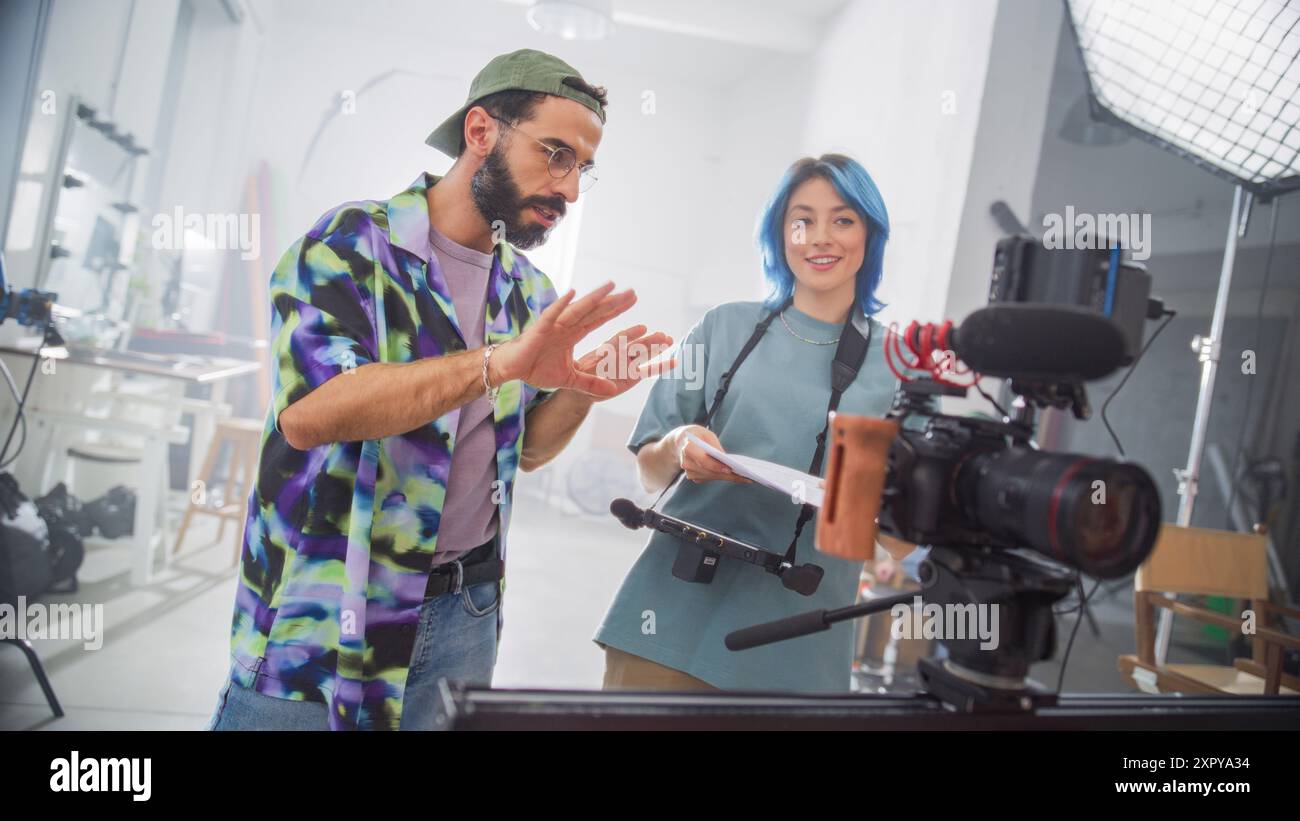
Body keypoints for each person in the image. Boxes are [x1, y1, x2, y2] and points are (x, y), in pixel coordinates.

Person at [209, 49, 670, 730]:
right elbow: (311, 415)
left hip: (465, 612)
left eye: (582, 170)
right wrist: (498, 362)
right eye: (555, 154)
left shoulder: (527, 292)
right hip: (326, 606)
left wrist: (582, 390)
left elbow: (526, 452)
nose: (569, 190)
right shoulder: (349, 245)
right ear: (480, 132)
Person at [595, 153, 915, 693]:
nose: (820, 238)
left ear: (870, 234)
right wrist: (678, 443)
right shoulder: (724, 327)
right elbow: (650, 475)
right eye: (802, 219)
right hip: (667, 624)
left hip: (797, 646)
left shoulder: (899, 363)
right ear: (779, 233)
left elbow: (902, 540)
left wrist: (870, 506)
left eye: (842, 219)